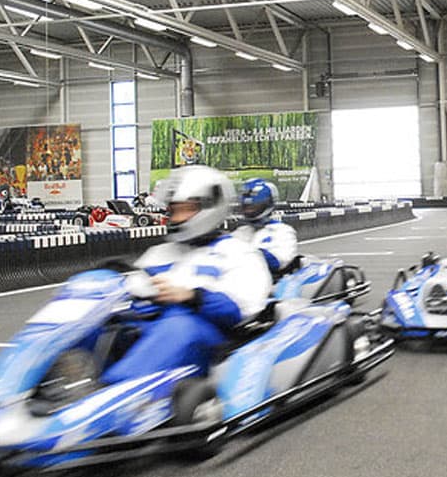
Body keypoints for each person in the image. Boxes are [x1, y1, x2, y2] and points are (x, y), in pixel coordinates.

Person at [95, 165, 270, 385]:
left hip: (204, 334)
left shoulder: (239, 252)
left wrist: (191, 296)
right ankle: (48, 380)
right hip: (149, 327)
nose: (176, 217)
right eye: (173, 210)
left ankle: (112, 394)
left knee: (178, 326)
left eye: (186, 209)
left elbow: (240, 309)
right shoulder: (160, 252)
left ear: (210, 207)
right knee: (98, 320)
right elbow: (134, 286)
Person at [236, 178, 299, 276]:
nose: (249, 211)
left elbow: (280, 262)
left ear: (268, 203)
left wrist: (247, 251)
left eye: (253, 207)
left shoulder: (282, 231)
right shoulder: (240, 233)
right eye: (247, 207)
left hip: (272, 284)